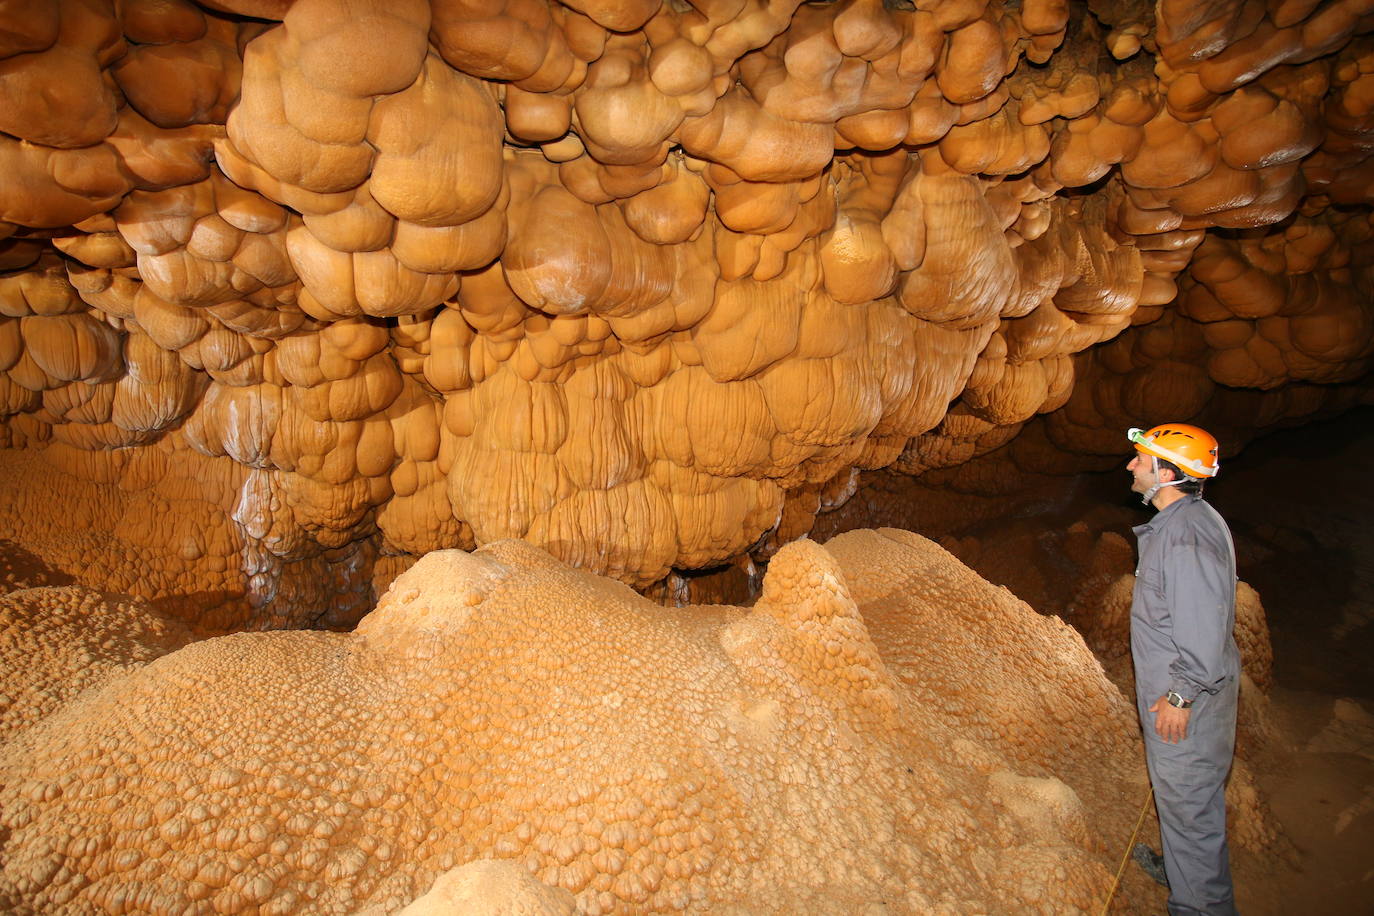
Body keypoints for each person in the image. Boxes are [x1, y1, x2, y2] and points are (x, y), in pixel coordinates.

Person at [1125, 423, 1241, 915]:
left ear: (1166, 473)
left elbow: (1199, 624)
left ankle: (1199, 905)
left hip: (1186, 701)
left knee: (1191, 807)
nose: (1132, 465)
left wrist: (1181, 696)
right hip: (1186, 689)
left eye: (1141, 460)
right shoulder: (1185, 521)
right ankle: (1183, 872)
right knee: (1183, 802)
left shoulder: (1184, 540)